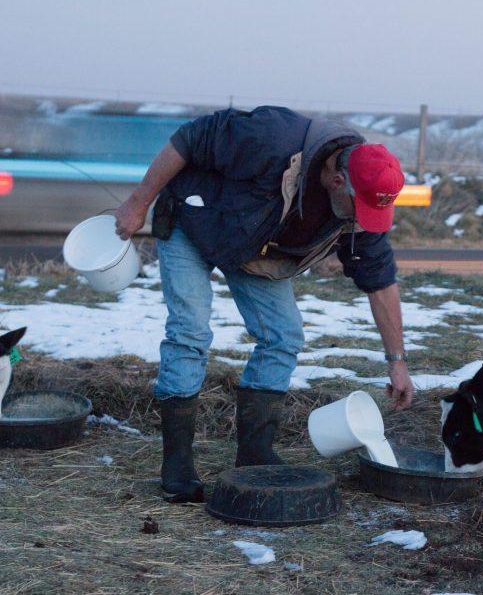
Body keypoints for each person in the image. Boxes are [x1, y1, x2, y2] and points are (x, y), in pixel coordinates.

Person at [114, 106, 415, 503]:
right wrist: (138, 201)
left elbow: (380, 281)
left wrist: (397, 360)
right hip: (191, 218)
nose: (363, 220)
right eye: (360, 209)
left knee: (282, 334)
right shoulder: (274, 138)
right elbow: (189, 139)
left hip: (251, 244)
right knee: (190, 331)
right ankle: (178, 464)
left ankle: (254, 454)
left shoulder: (360, 208)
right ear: (337, 179)